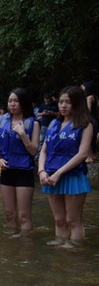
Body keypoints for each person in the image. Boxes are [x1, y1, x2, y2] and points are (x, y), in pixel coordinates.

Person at [38, 86, 93, 247]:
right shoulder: (54, 123)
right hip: (50, 175)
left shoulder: (85, 125)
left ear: (77, 103)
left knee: (73, 220)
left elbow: (82, 154)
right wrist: (41, 171)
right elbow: (44, 151)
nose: (63, 106)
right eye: (61, 102)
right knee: (59, 219)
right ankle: (60, 245)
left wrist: (59, 173)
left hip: (72, 176)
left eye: (68, 102)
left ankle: (75, 251)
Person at [0, 88, 40, 233]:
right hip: (6, 170)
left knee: (24, 215)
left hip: (24, 171)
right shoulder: (3, 121)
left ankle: (25, 249)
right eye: (10, 101)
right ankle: (11, 247)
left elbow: (33, 150)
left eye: (16, 101)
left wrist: (22, 134)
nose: (12, 104)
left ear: (23, 103)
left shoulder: (33, 123)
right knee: (9, 214)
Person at [80, 81, 98, 162]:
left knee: (88, 138)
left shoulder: (89, 98)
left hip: (89, 119)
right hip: (95, 119)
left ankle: (89, 157)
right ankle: (91, 156)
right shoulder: (95, 97)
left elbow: (88, 110)